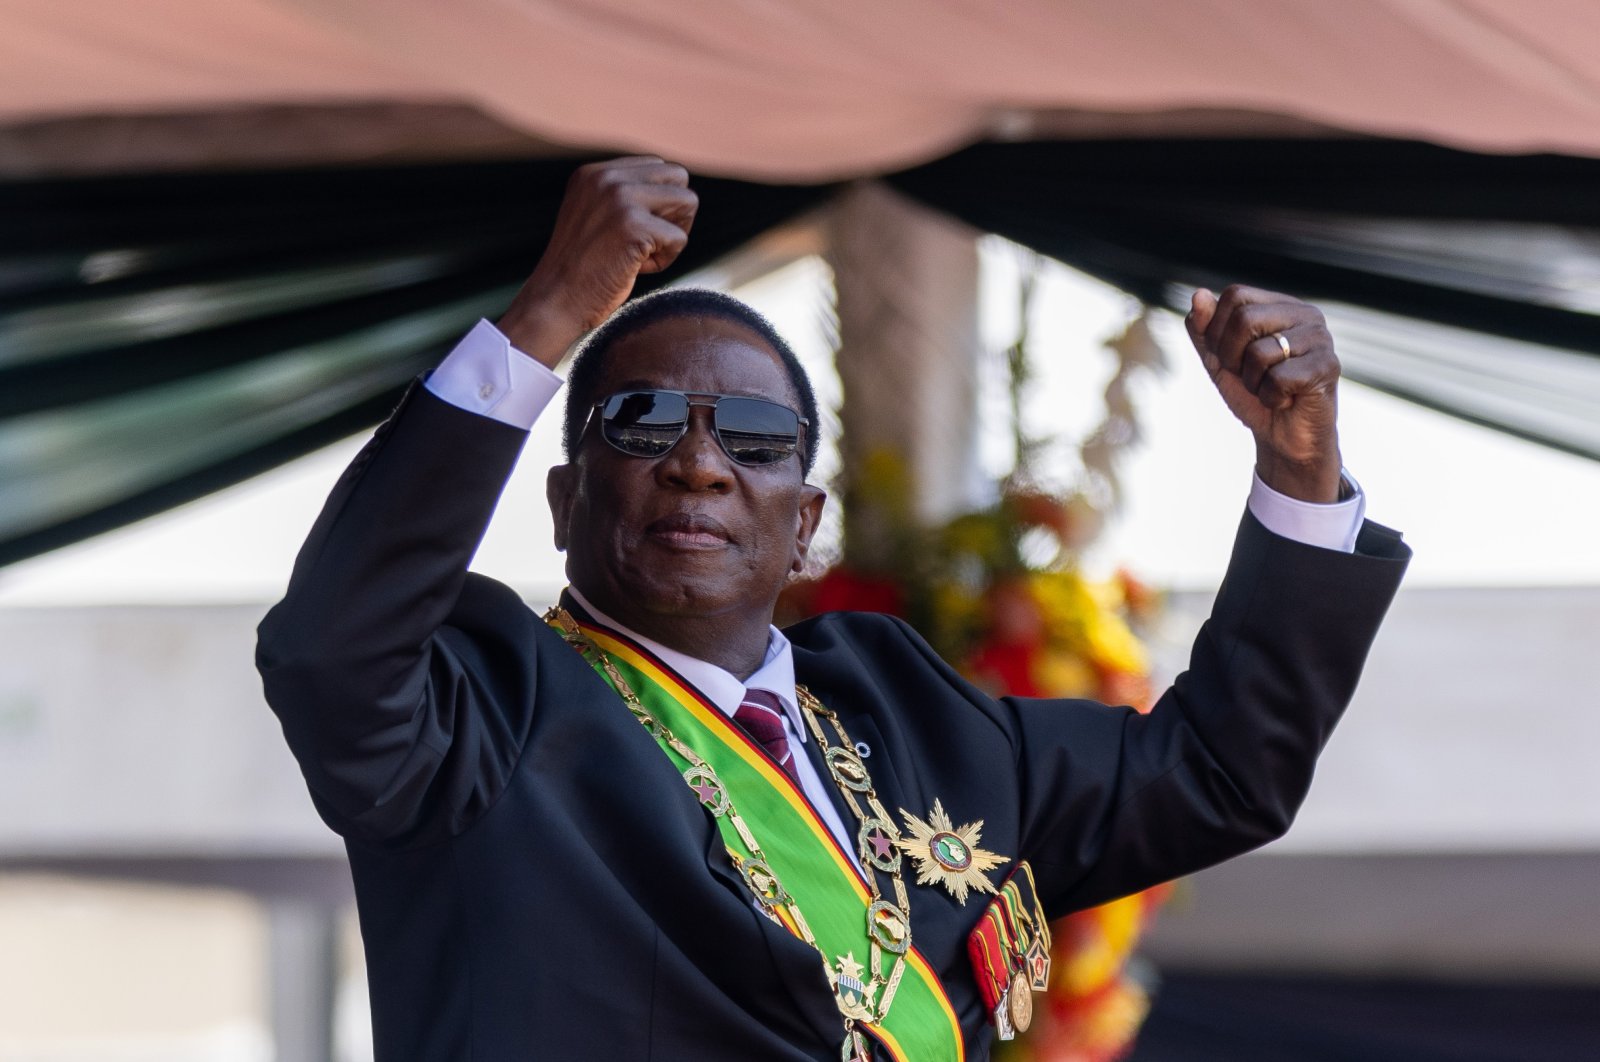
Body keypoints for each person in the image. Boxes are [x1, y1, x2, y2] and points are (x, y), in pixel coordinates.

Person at [257, 157, 1409, 1061]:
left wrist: (1300, 471)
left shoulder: (913, 713)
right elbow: (330, 649)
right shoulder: (480, 710)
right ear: (564, 500)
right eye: (647, 423)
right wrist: (551, 310)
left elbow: (1220, 771)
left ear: (805, 523)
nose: (700, 465)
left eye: (754, 441)